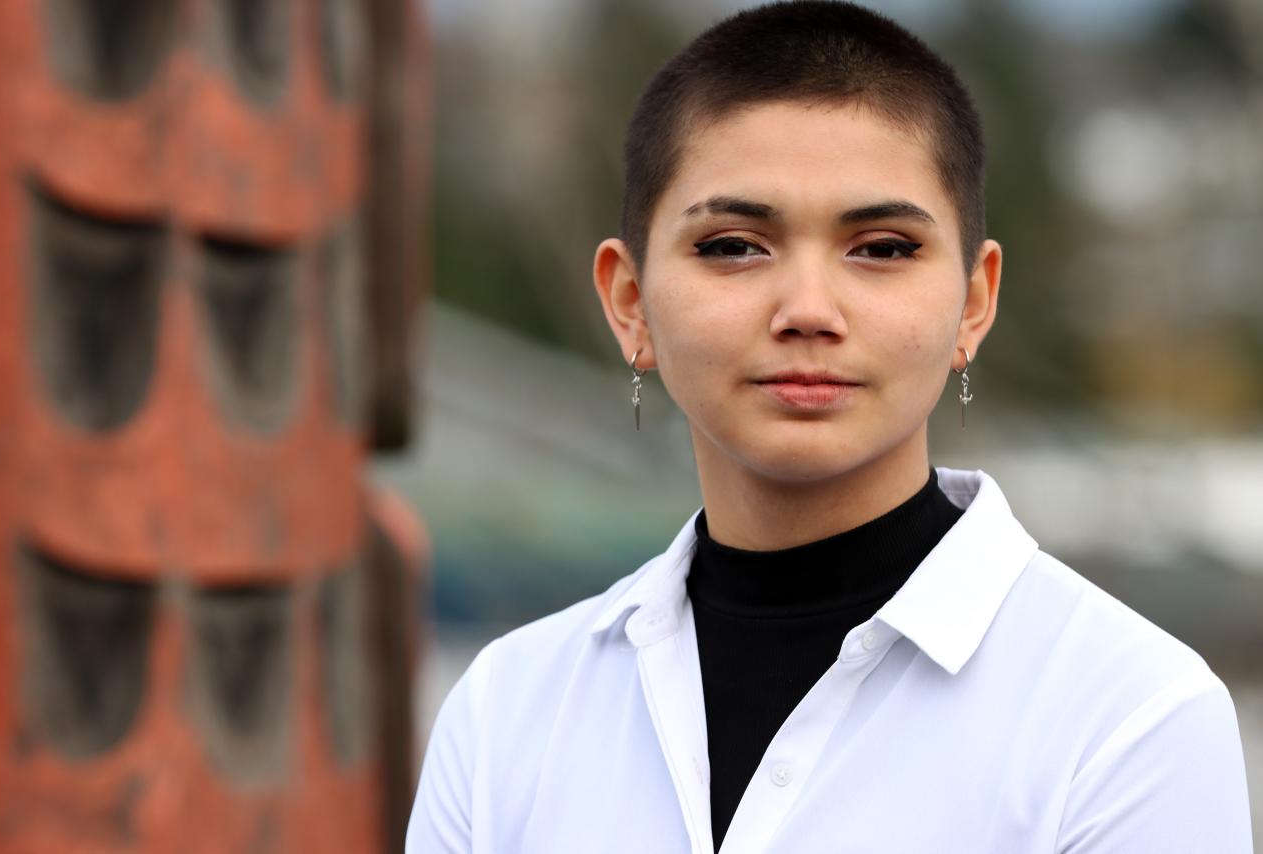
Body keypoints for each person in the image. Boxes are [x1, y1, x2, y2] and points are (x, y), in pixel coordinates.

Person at [406, 2, 1254, 852]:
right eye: (733, 245)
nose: (808, 310)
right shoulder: (506, 714)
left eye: (882, 248)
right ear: (630, 303)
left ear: (974, 301)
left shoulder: (1127, 719)